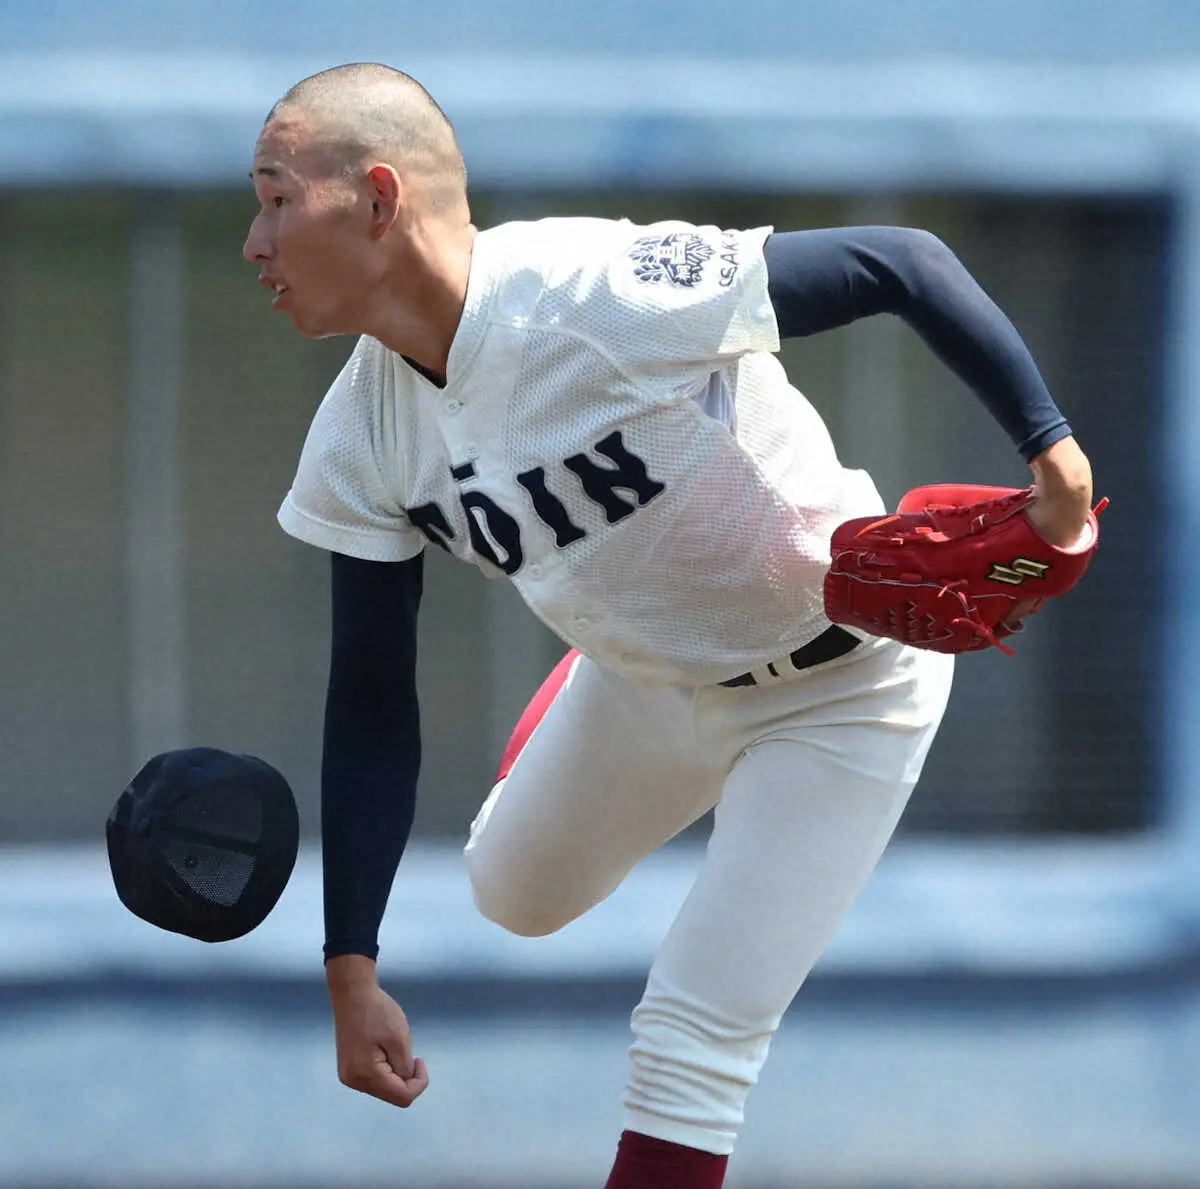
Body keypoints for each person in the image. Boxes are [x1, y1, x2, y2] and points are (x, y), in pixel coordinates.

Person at [243, 62, 1094, 1189]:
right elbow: (368, 696)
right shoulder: (361, 434)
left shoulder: (589, 291)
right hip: (643, 674)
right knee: (513, 892)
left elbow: (905, 262)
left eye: (274, 197)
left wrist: (1057, 463)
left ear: (380, 200)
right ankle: (586, 674)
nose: (254, 242)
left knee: (693, 1039)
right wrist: (351, 970)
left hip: (841, 688)